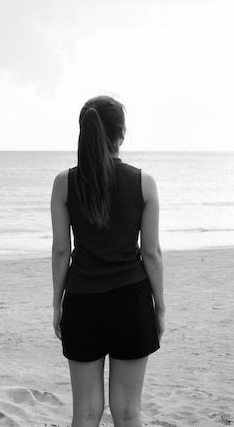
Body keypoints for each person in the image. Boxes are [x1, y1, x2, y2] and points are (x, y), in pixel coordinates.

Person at [51, 95, 165, 427]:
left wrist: (57, 303)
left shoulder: (63, 183)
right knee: (128, 411)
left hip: (82, 303)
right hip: (131, 301)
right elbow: (151, 253)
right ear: (121, 133)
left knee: (85, 411)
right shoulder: (144, 182)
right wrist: (160, 306)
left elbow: (61, 250)